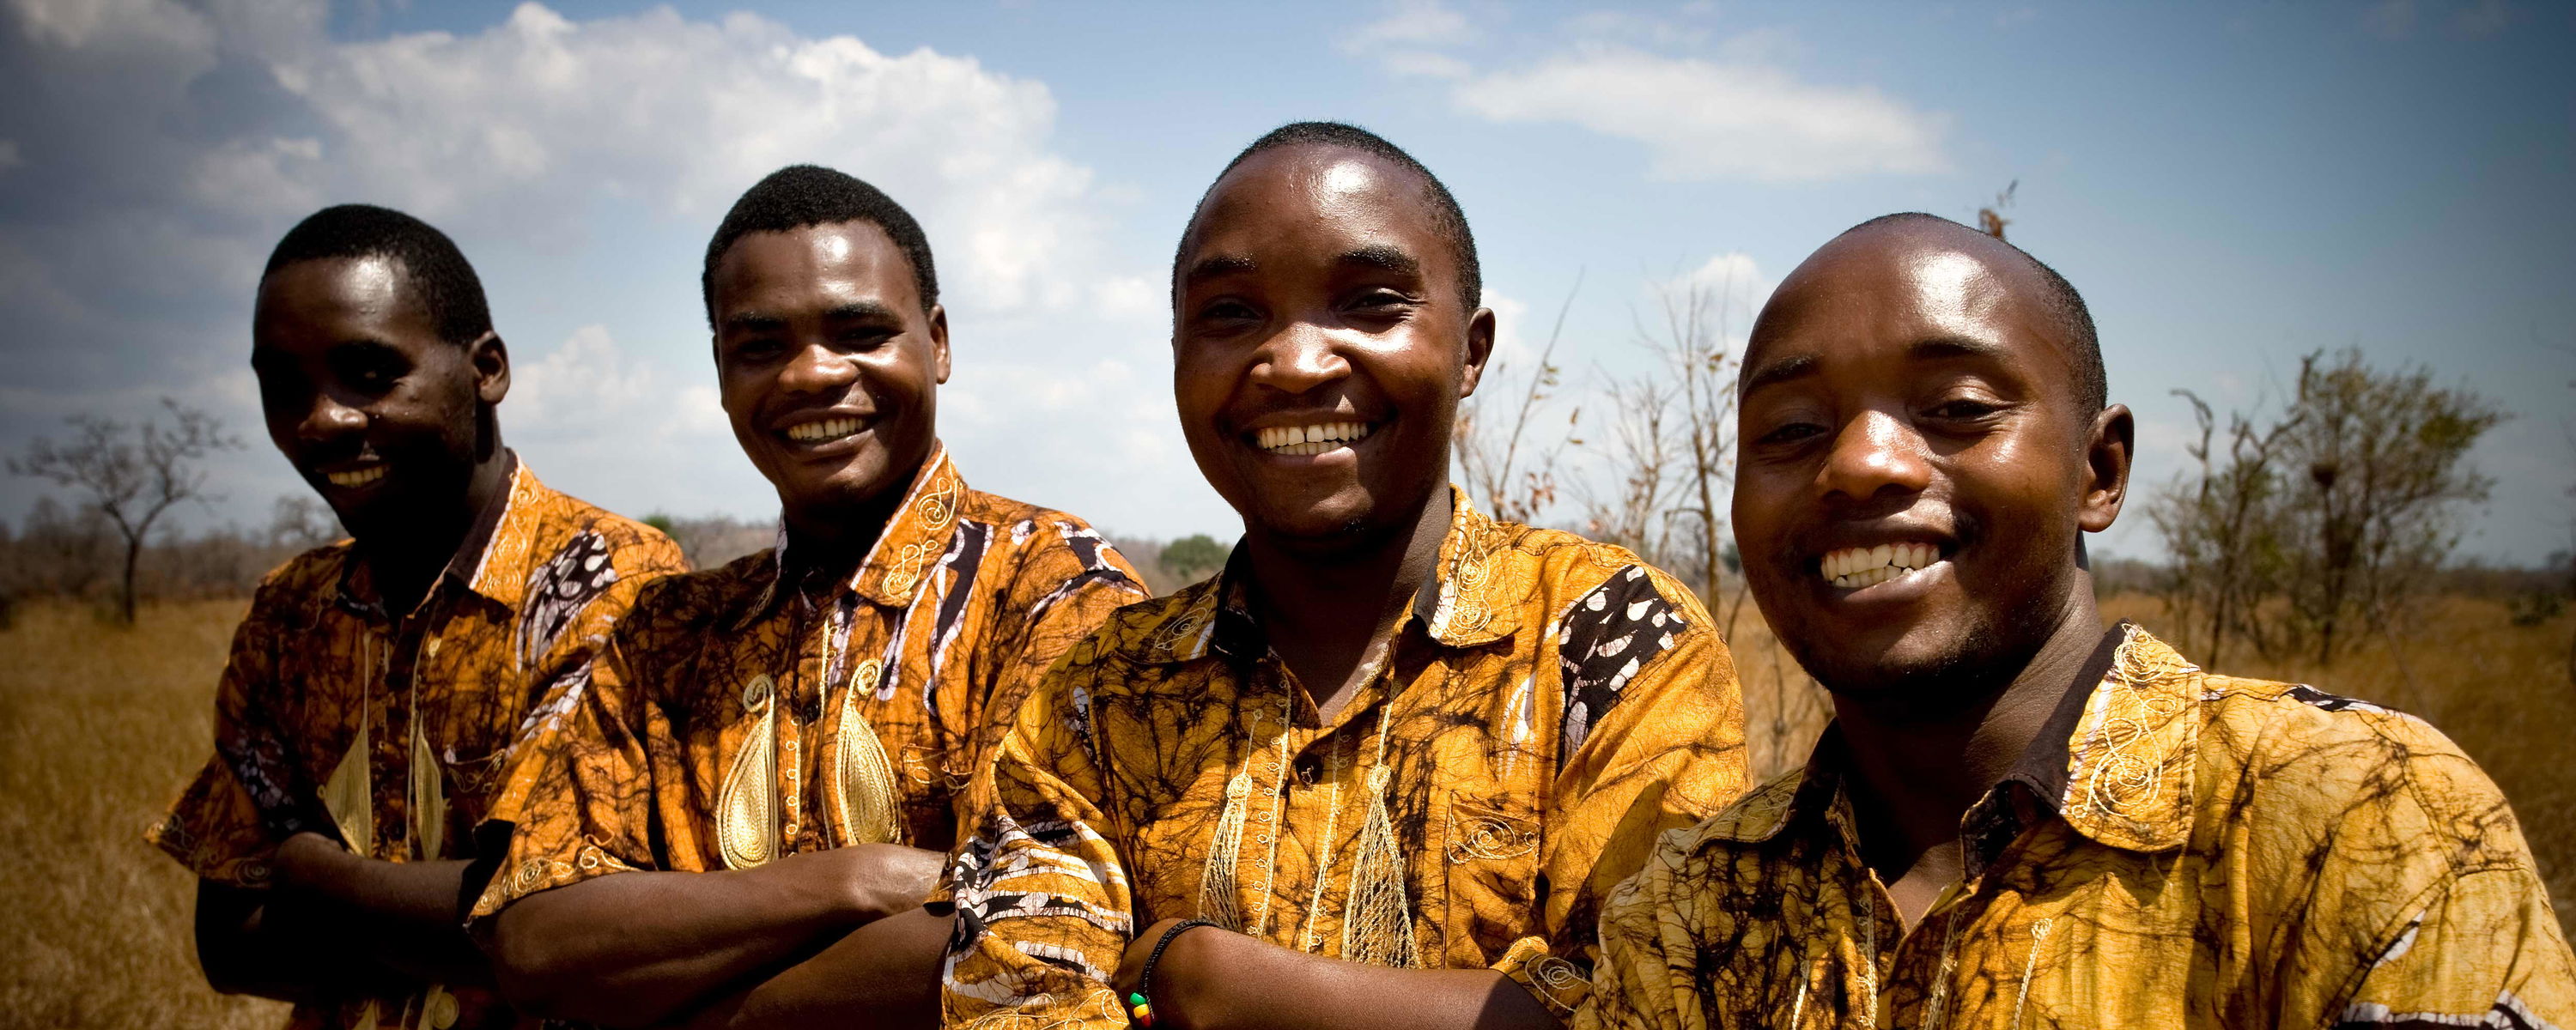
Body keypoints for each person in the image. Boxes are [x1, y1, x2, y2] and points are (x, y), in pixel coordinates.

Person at [1576, 213, 2576, 1029]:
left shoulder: (2351, 821)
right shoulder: (1695, 906)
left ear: (2100, 471)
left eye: (1958, 407)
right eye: (1793, 429)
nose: (1862, 461)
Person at [937, 122, 1751, 1030]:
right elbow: (1015, 1002)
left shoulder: (1612, 642)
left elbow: (1658, 1007)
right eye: (1233, 314)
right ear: (1177, 358)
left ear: (1472, 350)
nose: (1294, 362)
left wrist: (1205, 975)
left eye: (1368, 304)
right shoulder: (1096, 695)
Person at [467, 165, 1148, 1028]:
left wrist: (700, 998)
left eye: (859, 331)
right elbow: (535, 942)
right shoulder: (667, 635)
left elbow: (1026, 938)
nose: (813, 375)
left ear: (937, 342)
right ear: (721, 372)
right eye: (761, 346)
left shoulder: (1051, 586)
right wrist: (855, 884)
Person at [149, 203, 688, 1030]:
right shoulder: (290, 615)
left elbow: (550, 933)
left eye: (369, 373)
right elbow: (232, 945)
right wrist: (449, 913)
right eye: (285, 386)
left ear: (488, 370)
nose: (321, 418)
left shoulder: (611, 585)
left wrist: (312, 874)